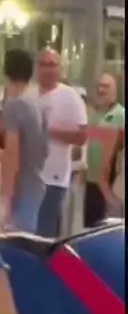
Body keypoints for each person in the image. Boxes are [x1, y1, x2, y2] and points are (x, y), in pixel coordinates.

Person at [36, 49, 87, 237]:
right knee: (27, 233)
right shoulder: (30, 95)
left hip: (54, 178)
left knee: (45, 233)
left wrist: (50, 132)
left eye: (52, 65)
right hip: (29, 178)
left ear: (60, 69)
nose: (47, 69)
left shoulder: (70, 96)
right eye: (43, 64)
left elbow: (82, 136)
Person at [0, 49, 47, 234]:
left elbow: (12, 154)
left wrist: (5, 196)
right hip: (36, 182)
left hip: (20, 189)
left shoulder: (15, 105)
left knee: (14, 242)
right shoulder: (36, 102)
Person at [84, 74, 125, 227]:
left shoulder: (120, 115)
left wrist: (109, 193)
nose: (101, 90)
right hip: (91, 183)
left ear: (115, 91)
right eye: (99, 86)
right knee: (90, 228)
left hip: (109, 186)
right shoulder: (95, 115)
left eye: (106, 86)